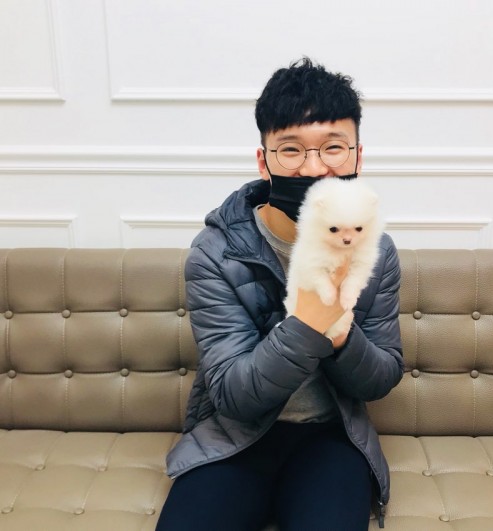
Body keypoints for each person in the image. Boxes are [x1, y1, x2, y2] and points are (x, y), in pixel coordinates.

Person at [157, 57, 403, 531]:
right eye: (291, 150)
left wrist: (341, 338)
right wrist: (309, 324)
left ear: (357, 157)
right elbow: (234, 396)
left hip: (331, 437)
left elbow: (381, 378)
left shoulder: (377, 251)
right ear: (263, 160)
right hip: (235, 439)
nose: (314, 168)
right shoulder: (215, 252)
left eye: (333, 147)